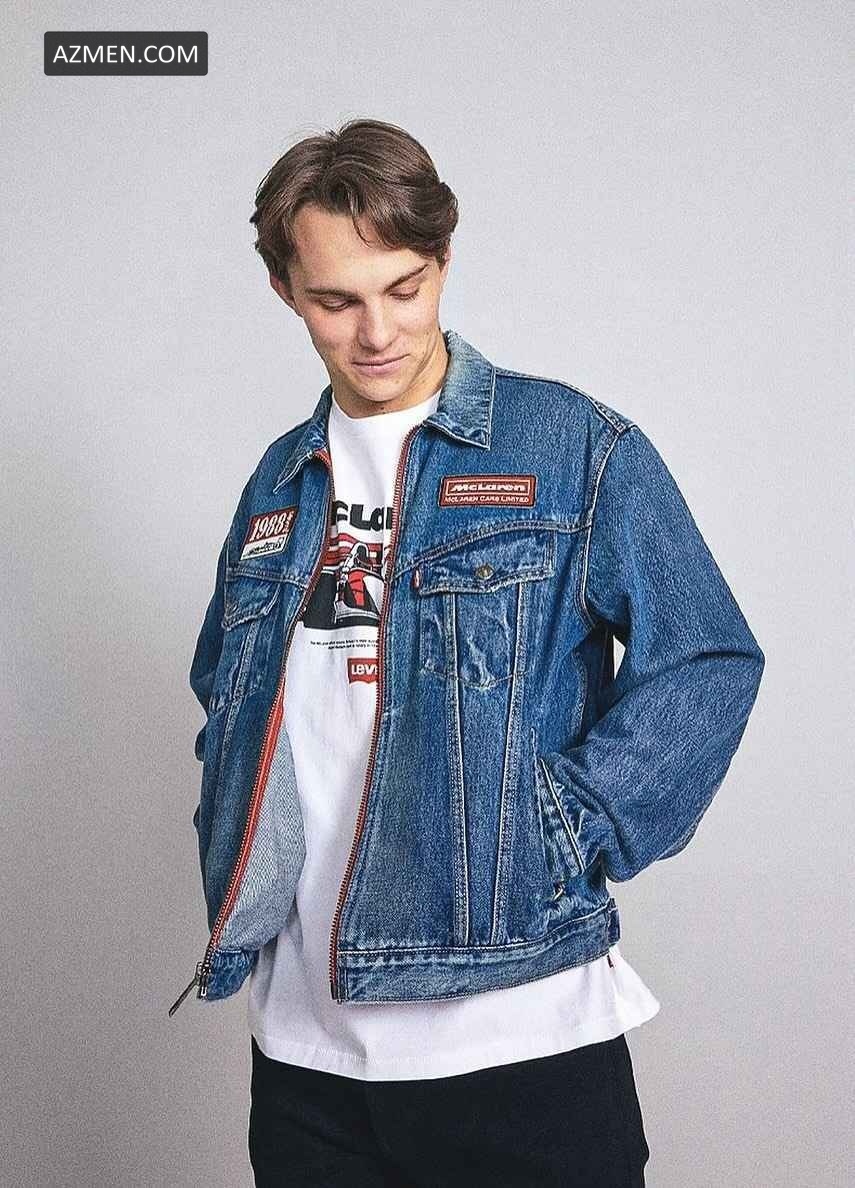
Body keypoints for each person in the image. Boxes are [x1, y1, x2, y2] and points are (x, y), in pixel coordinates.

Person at [171, 119, 765, 1187]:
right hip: (305, 1054)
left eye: (403, 288)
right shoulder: (278, 483)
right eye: (335, 301)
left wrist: (565, 826)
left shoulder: (571, 448)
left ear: (442, 259)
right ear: (284, 291)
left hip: (518, 1040)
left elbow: (706, 658)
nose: (377, 332)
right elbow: (231, 692)